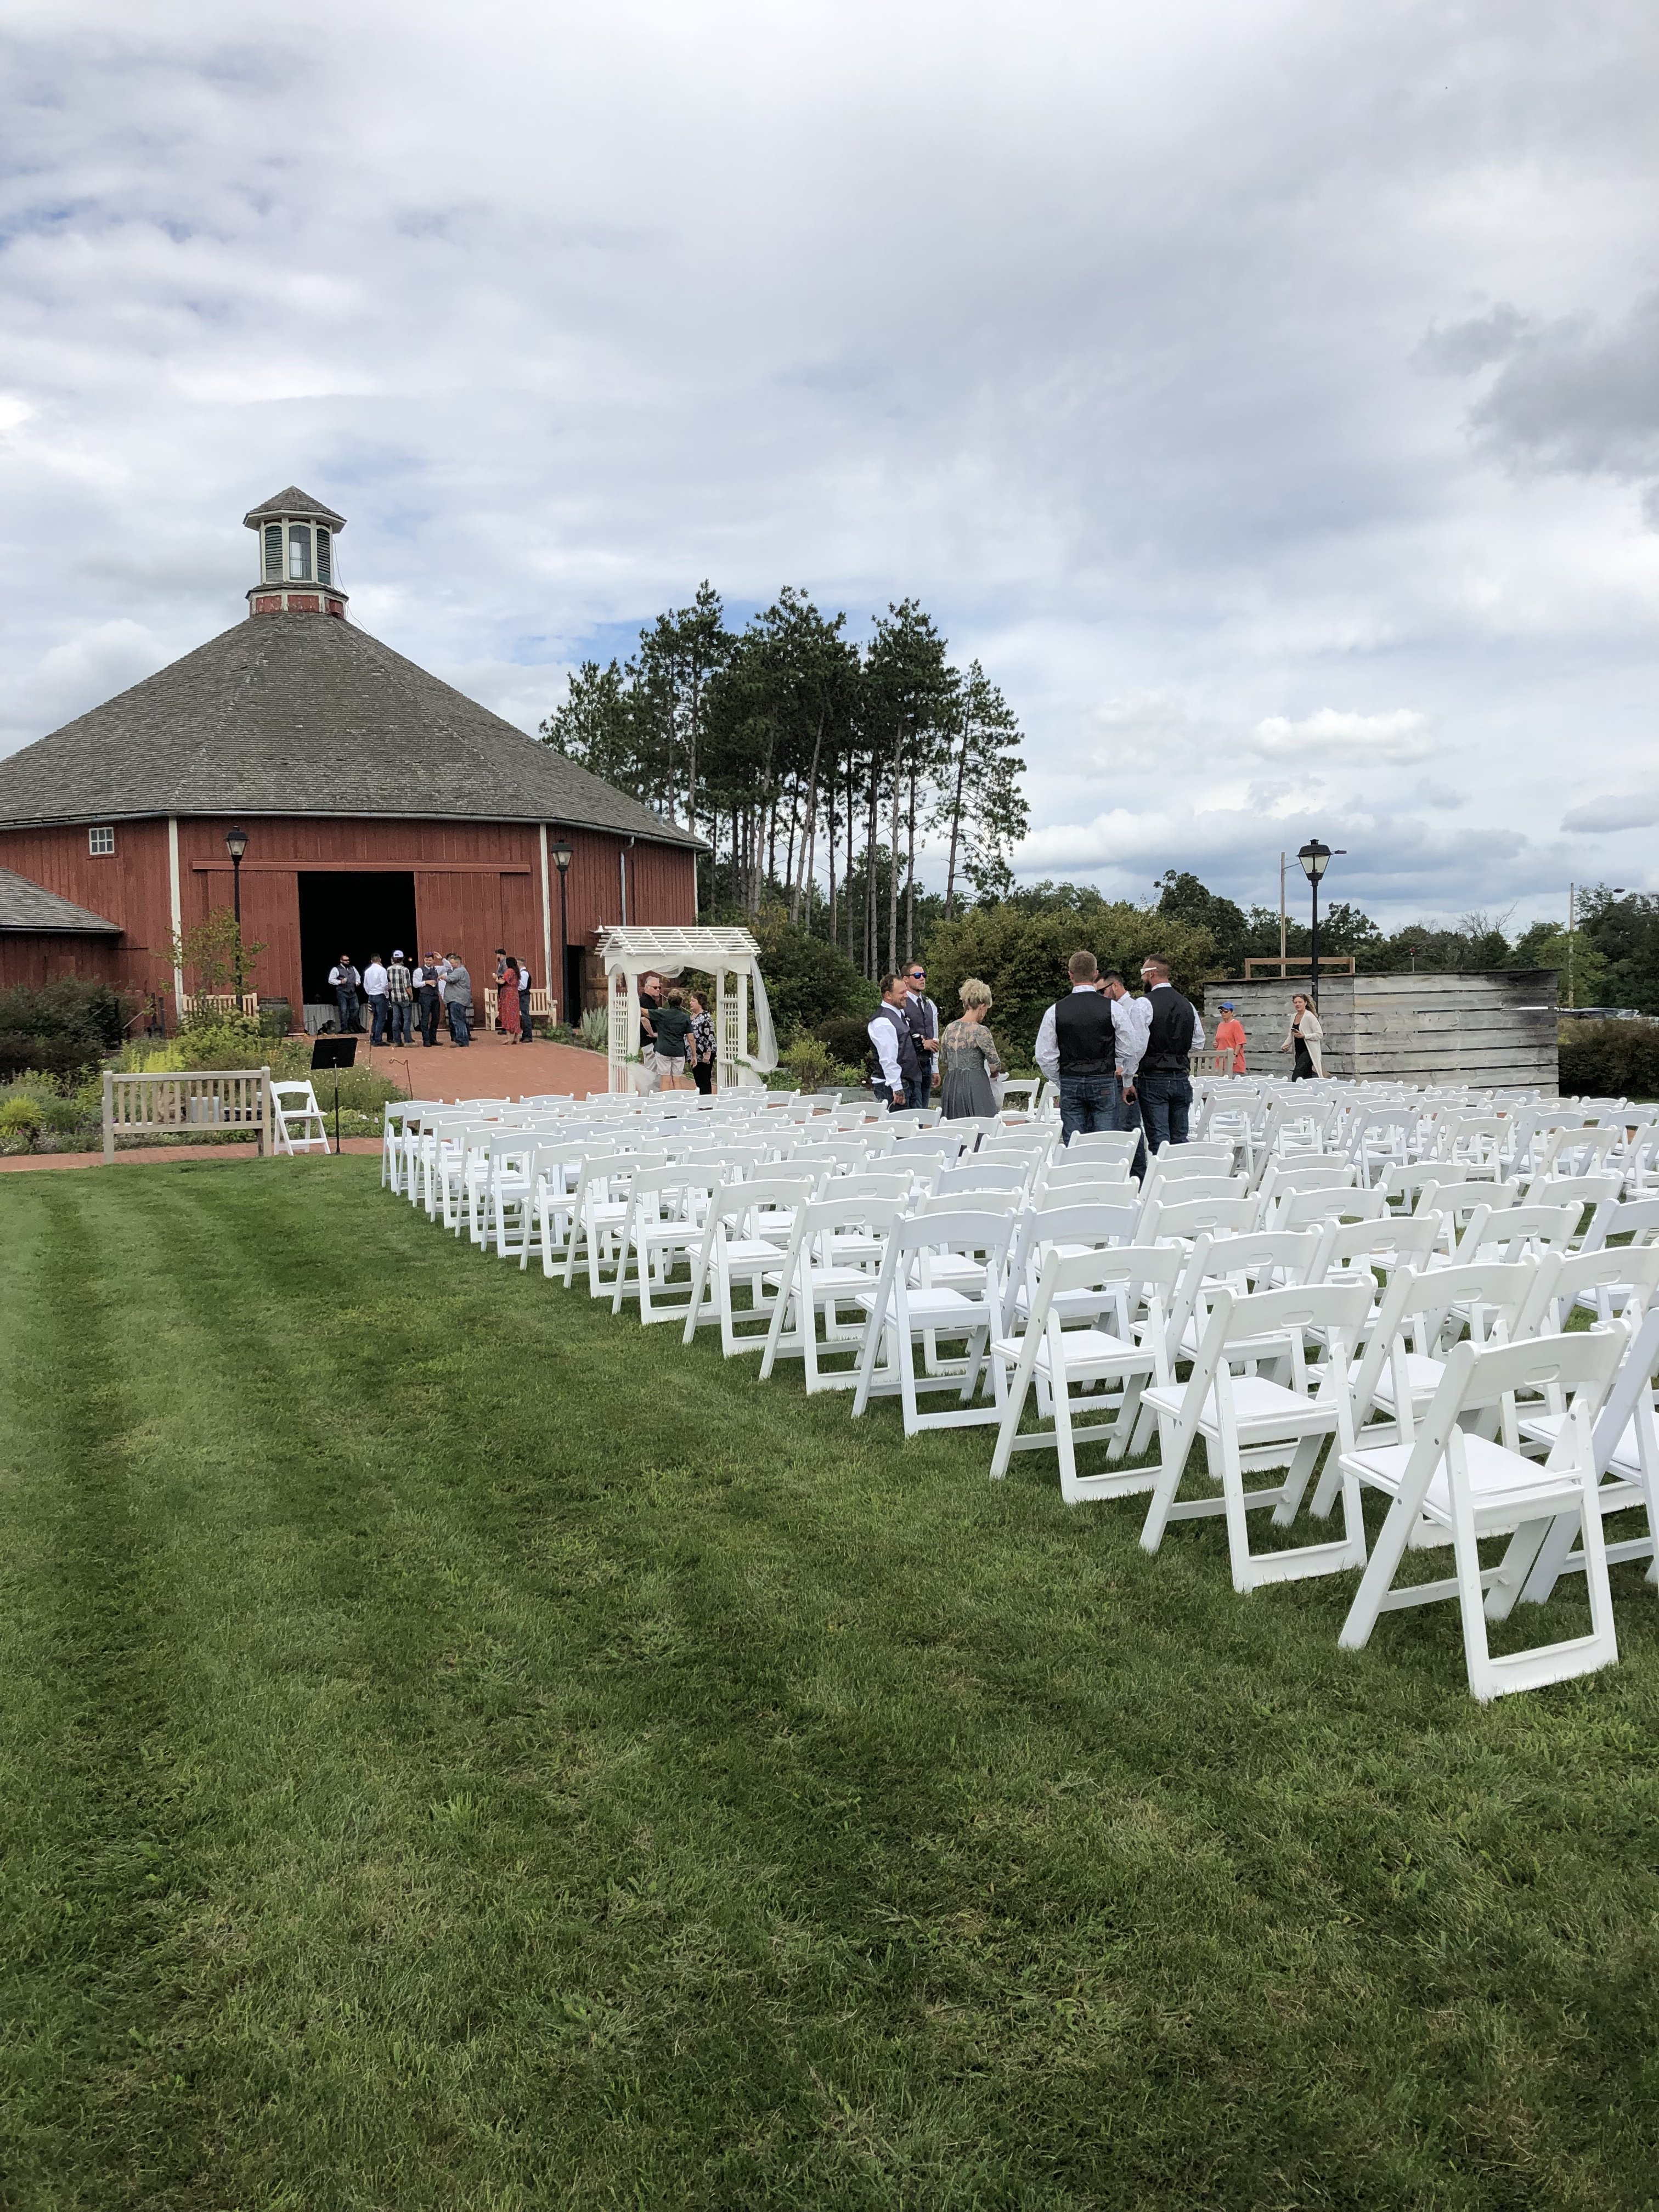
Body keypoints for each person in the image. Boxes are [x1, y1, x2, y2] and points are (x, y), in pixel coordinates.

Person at [1035, 950, 1121, 1143]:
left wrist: (1060, 1078)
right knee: (1105, 1142)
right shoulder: (1114, 1008)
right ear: (1095, 974)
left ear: (1070, 975)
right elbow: (1131, 1046)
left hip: (1071, 1079)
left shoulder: (1055, 1011)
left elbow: (1044, 1055)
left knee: (1074, 1143)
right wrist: (1121, 1067)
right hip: (1103, 1079)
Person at [1126, 955, 1203, 1152]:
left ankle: (1162, 1180)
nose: (1142, 978)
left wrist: (1128, 1080)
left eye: (1143, 974)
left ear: (1152, 973)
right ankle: (1179, 1179)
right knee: (1180, 1139)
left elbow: (1137, 1046)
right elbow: (1199, 1042)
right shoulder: (1188, 1005)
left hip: (1154, 1078)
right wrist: (1177, 1051)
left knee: (1159, 1140)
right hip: (1181, 1077)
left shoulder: (1144, 1004)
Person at [939, 979, 1001, 1118]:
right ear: (983, 1006)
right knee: (981, 1125)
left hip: (952, 1083)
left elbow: (944, 1058)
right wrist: (994, 1075)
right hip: (975, 1083)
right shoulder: (981, 1031)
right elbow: (995, 1064)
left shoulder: (949, 1029)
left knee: (955, 1125)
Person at [868, 972, 922, 1111]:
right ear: (888, 995)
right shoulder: (882, 1021)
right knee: (899, 1130)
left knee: (913, 1129)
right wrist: (897, 1088)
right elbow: (888, 1058)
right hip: (892, 1086)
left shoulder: (899, 1014)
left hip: (908, 1082)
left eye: (906, 991)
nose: (906, 996)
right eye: (902, 992)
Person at [901, 962, 940, 1109]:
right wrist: (922, 1043)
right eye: (917, 975)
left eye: (924, 975)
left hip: (926, 1065)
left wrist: (935, 1069)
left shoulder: (930, 1004)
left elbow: (935, 1037)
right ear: (906, 979)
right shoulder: (902, 1004)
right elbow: (900, 1036)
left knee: (923, 1109)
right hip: (909, 1068)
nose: (922, 979)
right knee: (912, 1111)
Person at [650, 987, 695, 1088]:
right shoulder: (685, 1017)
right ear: (681, 1002)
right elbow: (691, 1038)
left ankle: (665, 1103)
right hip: (678, 1051)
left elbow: (645, 1012)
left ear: (668, 1001)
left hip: (663, 1050)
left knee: (665, 1080)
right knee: (677, 1080)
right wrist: (694, 1055)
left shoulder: (662, 1014)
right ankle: (677, 1102)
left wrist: (635, 1005)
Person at [1280, 992, 1323, 1079]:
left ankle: (1294, 1089)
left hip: (1308, 1050)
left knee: (1298, 1074)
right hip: (1298, 1050)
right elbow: (1291, 1034)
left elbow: (1319, 1035)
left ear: (1305, 1003)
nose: (1298, 1004)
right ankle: (1310, 1090)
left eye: (1300, 1002)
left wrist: (1304, 1036)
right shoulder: (1293, 1017)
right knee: (1306, 1075)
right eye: (1296, 1003)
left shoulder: (1309, 1016)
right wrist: (1286, 1045)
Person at [687, 991, 717, 1096]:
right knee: (698, 1079)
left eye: (693, 1001)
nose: (690, 1003)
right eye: (690, 1001)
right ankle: (701, 1101)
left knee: (704, 1079)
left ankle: (707, 1103)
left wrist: (708, 1054)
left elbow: (710, 1036)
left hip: (704, 1054)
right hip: (694, 1054)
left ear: (700, 1003)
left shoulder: (706, 1017)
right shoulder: (691, 1016)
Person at [637, 971, 662, 1093]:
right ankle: (649, 1101)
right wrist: (652, 1033)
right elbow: (643, 1019)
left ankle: (650, 1099)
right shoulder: (646, 1002)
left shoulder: (649, 1002)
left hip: (649, 1043)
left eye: (659, 987)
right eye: (655, 987)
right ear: (647, 988)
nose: (658, 990)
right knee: (652, 1075)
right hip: (650, 1042)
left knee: (653, 1073)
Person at [1212, 1000, 1248, 1076]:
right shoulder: (1221, 1025)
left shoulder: (1236, 1024)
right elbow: (1219, 1040)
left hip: (1234, 1065)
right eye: (1221, 1012)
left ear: (1232, 1012)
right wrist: (1215, 1044)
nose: (1223, 1013)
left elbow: (1241, 1042)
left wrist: (1234, 1056)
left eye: (1226, 1011)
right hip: (1221, 1064)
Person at [414, 953, 442, 1047]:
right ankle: (426, 1040)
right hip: (425, 995)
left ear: (433, 960)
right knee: (425, 1018)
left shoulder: (437, 969)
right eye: (427, 960)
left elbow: (448, 967)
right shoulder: (419, 970)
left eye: (430, 960)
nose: (428, 962)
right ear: (424, 960)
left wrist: (441, 959)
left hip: (435, 995)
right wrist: (426, 982)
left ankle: (433, 1038)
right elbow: (415, 984)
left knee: (436, 1018)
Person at [445, 952, 473, 1046]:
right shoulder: (463, 971)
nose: (451, 965)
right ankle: (464, 1039)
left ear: (457, 963)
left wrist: (443, 977)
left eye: (452, 963)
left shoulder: (459, 971)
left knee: (457, 1021)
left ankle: (461, 1040)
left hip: (457, 999)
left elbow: (451, 979)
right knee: (461, 1020)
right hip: (461, 999)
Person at [386, 950, 414, 1046]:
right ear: (402, 959)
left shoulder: (388, 969)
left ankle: (397, 1040)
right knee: (407, 1019)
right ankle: (408, 1040)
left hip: (394, 997)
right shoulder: (405, 970)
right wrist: (411, 996)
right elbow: (407, 985)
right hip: (404, 997)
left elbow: (388, 985)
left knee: (395, 1019)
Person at [328, 953, 361, 1033]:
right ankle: (345, 1028)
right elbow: (330, 980)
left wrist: (358, 982)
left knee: (356, 1008)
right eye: (346, 960)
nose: (348, 962)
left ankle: (352, 1026)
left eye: (348, 960)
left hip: (352, 991)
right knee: (344, 1010)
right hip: (342, 992)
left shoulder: (352, 968)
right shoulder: (336, 969)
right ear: (341, 961)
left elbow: (358, 976)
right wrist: (340, 982)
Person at [363, 951, 390, 1046]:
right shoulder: (382, 970)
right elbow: (385, 985)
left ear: (371, 961)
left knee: (375, 1017)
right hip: (380, 995)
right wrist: (386, 995)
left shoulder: (367, 971)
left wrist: (370, 993)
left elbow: (365, 985)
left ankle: (373, 1038)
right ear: (380, 960)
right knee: (381, 1018)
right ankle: (378, 1039)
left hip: (372, 996)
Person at [497, 956, 522, 1045]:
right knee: (515, 1015)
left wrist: (495, 978)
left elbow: (502, 982)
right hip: (515, 994)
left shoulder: (510, 971)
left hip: (508, 994)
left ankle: (508, 1037)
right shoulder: (517, 972)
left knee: (507, 1014)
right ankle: (516, 1036)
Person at [516, 956, 535, 1041]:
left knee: (525, 1015)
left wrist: (514, 988)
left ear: (519, 964)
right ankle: (525, 1035)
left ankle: (528, 1036)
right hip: (523, 996)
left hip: (524, 996)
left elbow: (522, 986)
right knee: (524, 1015)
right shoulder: (522, 973)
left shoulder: (524, 973)